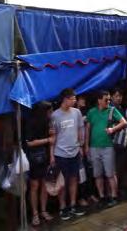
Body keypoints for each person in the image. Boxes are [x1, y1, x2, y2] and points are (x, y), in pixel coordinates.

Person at [85, 90, 127, 207]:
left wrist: (112, 129)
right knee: (97, 174)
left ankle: (113, 196)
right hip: (94, 147)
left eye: (109, 99)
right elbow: (88, 129)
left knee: (110, 173)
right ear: (99, 100)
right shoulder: (91, 112)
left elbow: (124, 122)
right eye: (106, 100)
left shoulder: (112, 110)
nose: (108, 102)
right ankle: (102, 196)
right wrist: (86, 145)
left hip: (108, 146)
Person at [50, 88, 86, 220]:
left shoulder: (76, 113)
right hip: (60, 153)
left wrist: (81, 145)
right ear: (65, 99)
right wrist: (52, 155)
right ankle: (62, 207)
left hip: (75, 151)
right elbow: (53, 136)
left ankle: (72, 205)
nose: (75, 101)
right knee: (62, 182)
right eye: (73, 99)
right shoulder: (55, 115)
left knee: (74, 179)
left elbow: (80, 129)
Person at [25, 102, 54, 226]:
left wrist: (51, 156)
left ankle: (43, 210)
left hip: (45, 157)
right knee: (34, 186)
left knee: (44, 185)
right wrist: (47, 140)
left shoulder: (48, 124)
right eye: (49, 111)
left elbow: (52, 141)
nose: (51, 114)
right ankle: (35, 214)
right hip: (34, 158)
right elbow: (29, 143)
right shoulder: (31, 123)